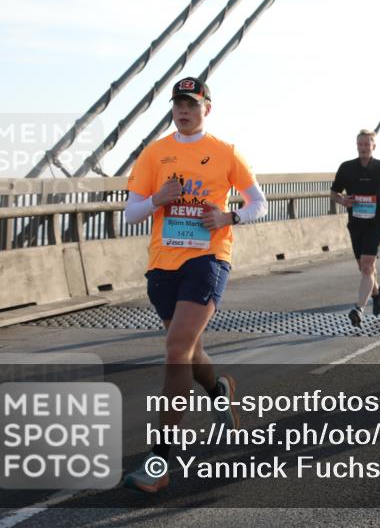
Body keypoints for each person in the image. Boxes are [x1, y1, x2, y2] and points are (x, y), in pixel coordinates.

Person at [122, 77, 268, 493]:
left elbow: (259, 202)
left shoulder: (225, 153)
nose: (183, 110)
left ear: (207, 109)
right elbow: (131, 213)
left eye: (192, 104)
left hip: (208, 260)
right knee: (191, 350)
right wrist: (157, 200)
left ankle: (159, 462)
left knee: (175, 350)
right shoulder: (155, 153)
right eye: (178, 104)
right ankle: (219, 388)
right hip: (162, 266)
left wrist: (229, 217)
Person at [330, 130, 380, 327]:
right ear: (356, 145)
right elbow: (334, 192)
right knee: (364, 269)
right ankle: (378, 293)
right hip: (356, 223)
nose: (363, 147)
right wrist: (342, 200)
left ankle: (359, 309)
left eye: (367, 144)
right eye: (360, 144)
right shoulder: (346, 168)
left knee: (368, 265)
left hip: (376, 223)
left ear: (373, 146)